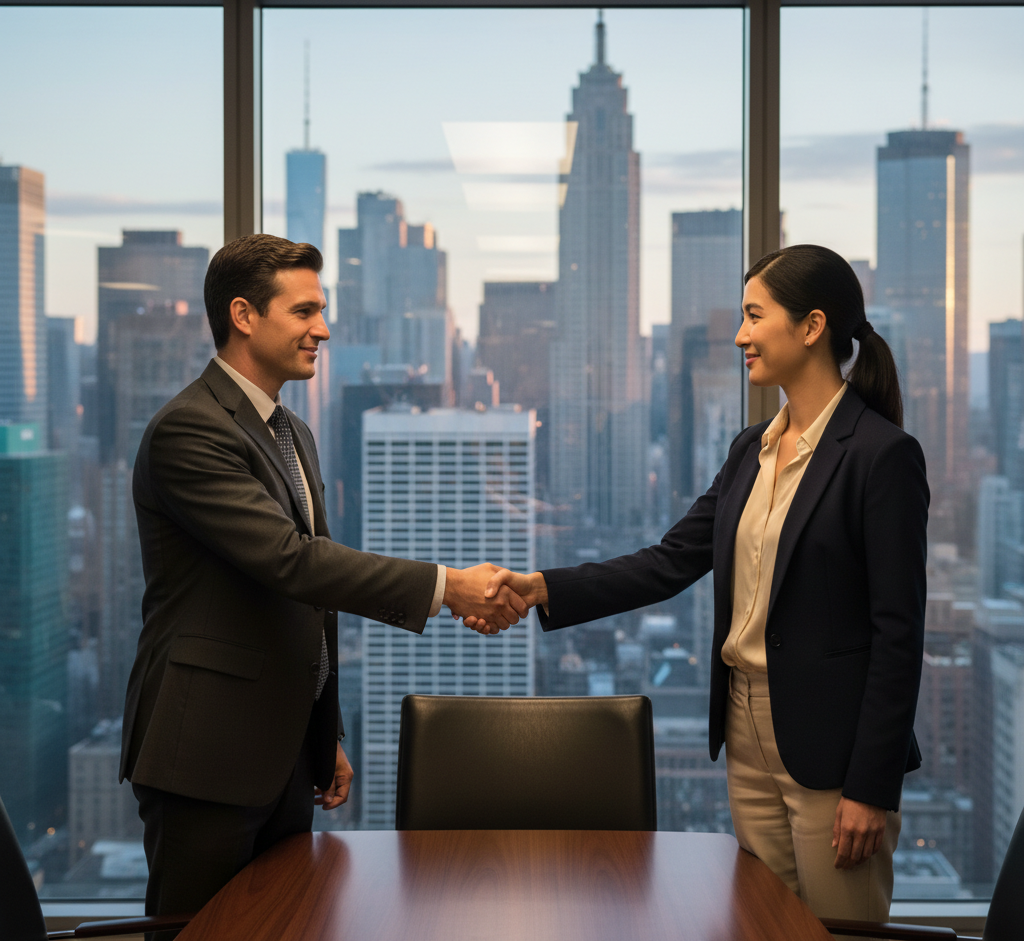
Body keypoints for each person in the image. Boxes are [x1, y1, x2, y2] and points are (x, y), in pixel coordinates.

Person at [478, 244, 928, 924]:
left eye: (755, 316)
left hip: (832, 752)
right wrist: (543, 587)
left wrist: (872, 785)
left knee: (841, 930)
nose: (741, 335)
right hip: (746, 737)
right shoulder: (751, 449)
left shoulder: (881, 456)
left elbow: (900, 636)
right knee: (764, 925)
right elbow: (668, 561)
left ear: (811, 327)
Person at [120, 234, 522, 934]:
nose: (324, 328)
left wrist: (320, 730)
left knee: (283, 927)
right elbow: (292, 561)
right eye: (304, 311)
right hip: (207, 757)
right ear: (243, 315)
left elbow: (307, 596)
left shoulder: (292, 432)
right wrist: (448, 586)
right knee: (202, 931)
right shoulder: (189, 430)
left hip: (280, 758)